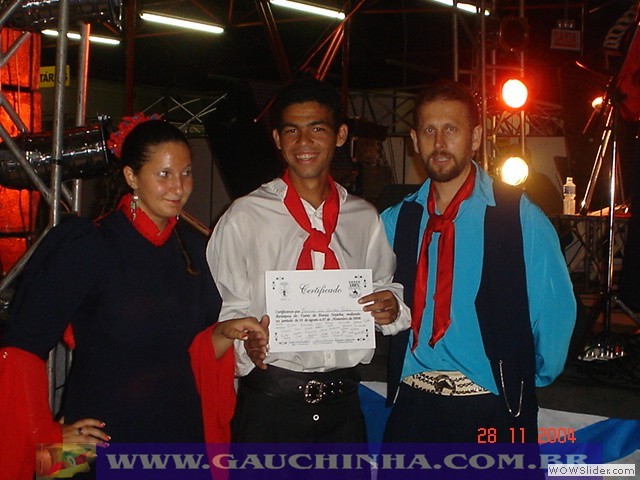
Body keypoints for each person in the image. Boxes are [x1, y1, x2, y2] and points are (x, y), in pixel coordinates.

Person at [0, 118, 266, 480]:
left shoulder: (195, 250)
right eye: (164, 174)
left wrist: (225, 332)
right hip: (98, 438)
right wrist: (42, 434)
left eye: (186, 173)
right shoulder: (88, 244)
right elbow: (22, 347)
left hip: (178, 433)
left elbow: (191, 351)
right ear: (131, 176)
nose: (179, 187)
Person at [207, 78, 410, 443]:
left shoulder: (364, 218)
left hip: (343, 409)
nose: (303, 142)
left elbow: (383, 285)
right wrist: (246, 344)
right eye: (292, 131)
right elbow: (224, 309)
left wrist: (391, 306)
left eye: (317, 129)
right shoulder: (244, 216)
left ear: (340, 135)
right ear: (277, 139)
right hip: (269, 405)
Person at [381, 80, 576, 444]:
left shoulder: (518, 216)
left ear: (474, 137)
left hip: (494, 407)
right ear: (415, 140)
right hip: (413, 406)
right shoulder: (396, 220)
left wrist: (520, 378)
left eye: (451, 130)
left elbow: (556, 312)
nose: (439, 143)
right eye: (429, 131)